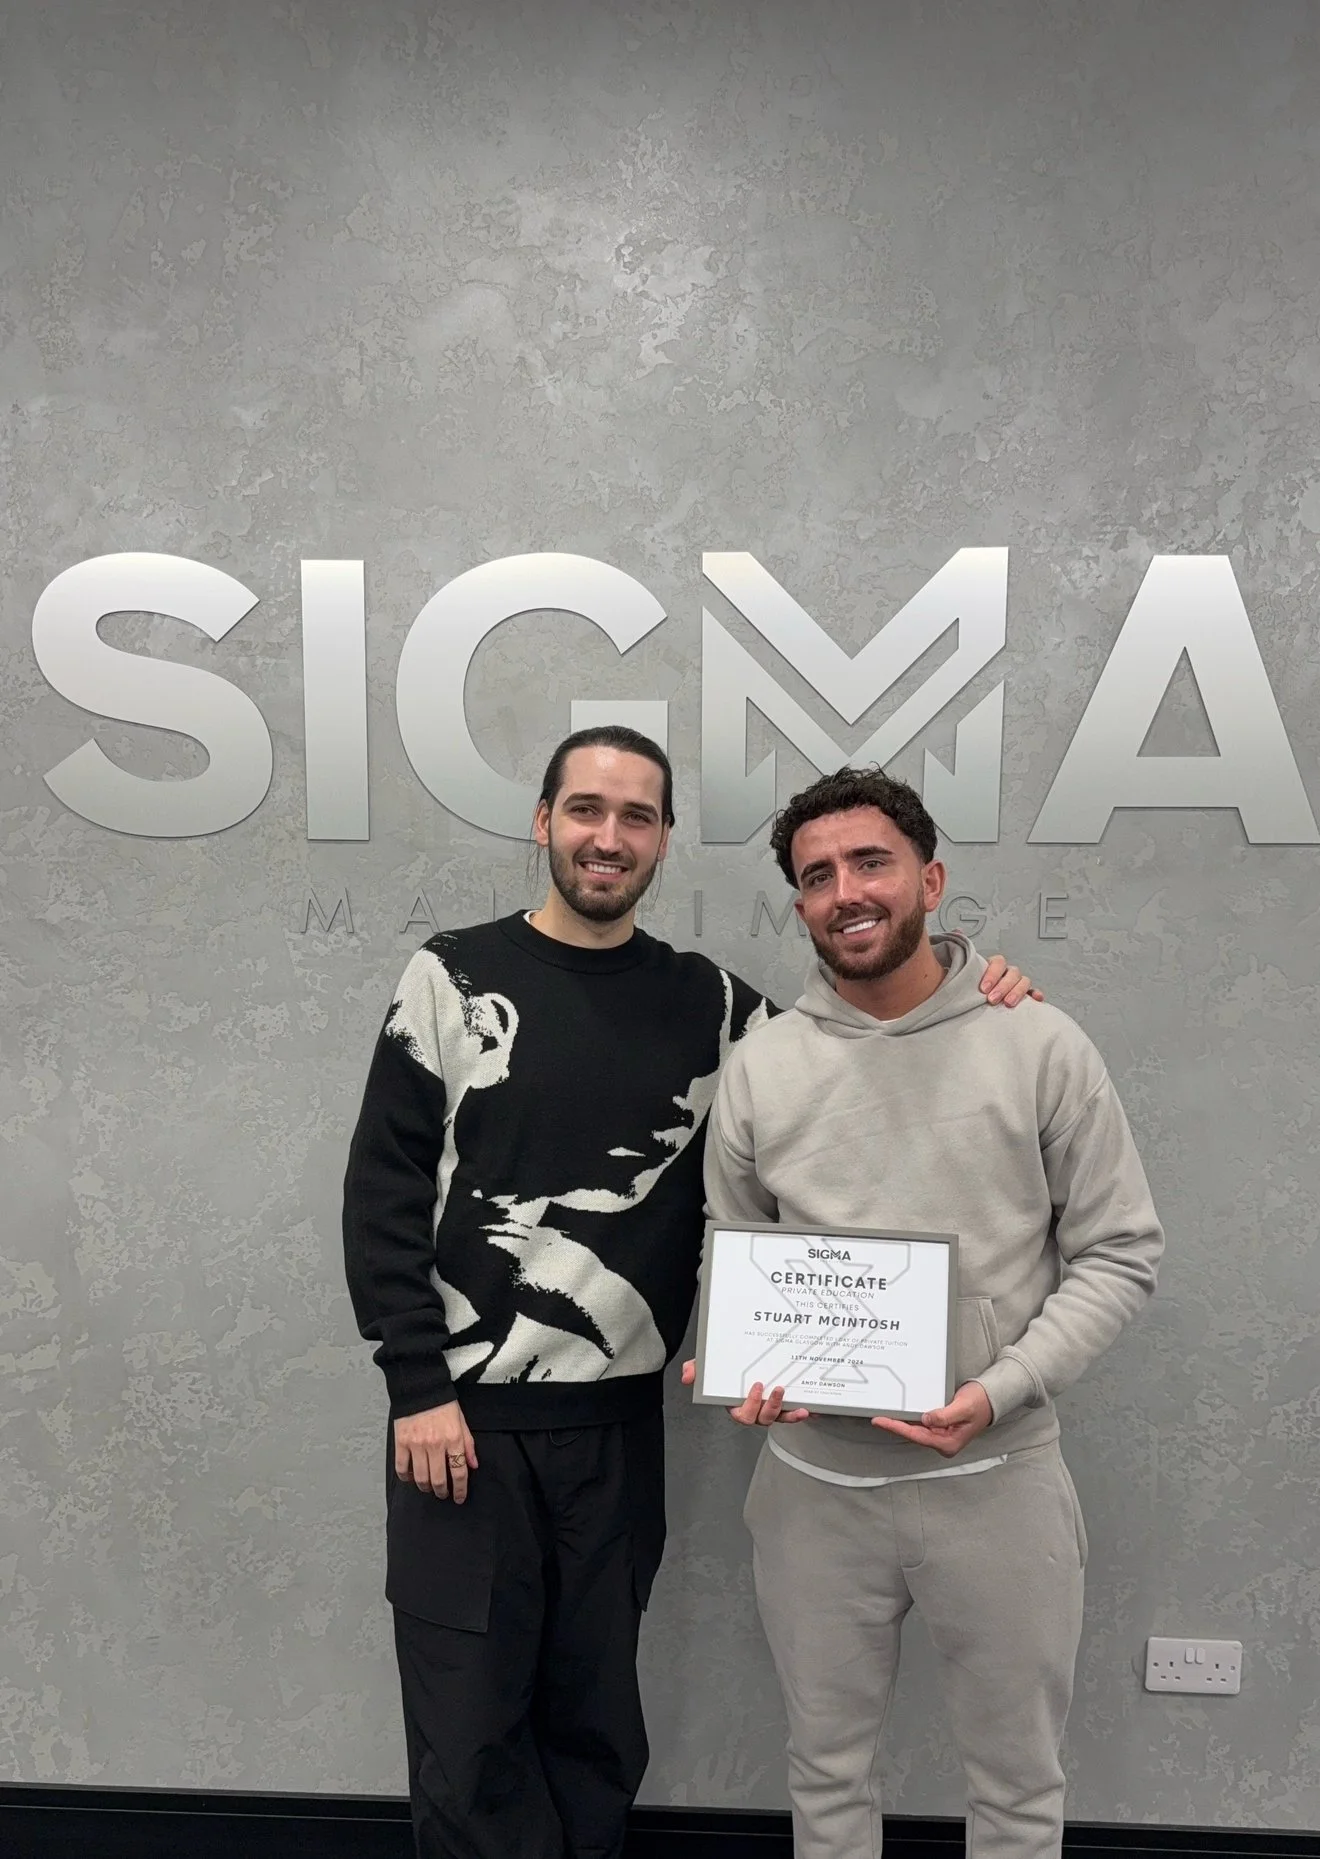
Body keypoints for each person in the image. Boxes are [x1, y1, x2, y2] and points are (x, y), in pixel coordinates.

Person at [342, 727, 1039, 1859]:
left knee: (596, 1724)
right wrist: (415, 1381)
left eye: (635, 815)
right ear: (544, 822)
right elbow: (381, 1189)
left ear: (663, 838)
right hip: (459, 1426)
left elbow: (867, 1030)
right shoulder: (451, 974)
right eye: (585, 809)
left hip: (618, 1432)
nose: (607, 836)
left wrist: (976, 979)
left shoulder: (720, 1009)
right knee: (468, 1729)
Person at [693, 765, 1164, 1859]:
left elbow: (1121, 1252)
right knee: (825, 1771)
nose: (847, 890)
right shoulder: (760, 1070)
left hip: (999, 1486)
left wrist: (997, 1390)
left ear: (930, 878)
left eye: (871, 862)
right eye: (818, 875)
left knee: (1015, 1785)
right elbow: (732, 1250)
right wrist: (738, 1353)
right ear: (801, 903)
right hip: (814, 1492)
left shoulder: (1041, 1044)